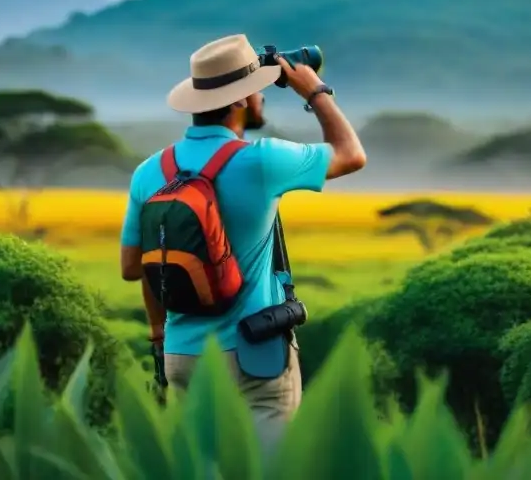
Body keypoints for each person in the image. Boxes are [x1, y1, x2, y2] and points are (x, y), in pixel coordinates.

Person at [119, 33, 366, 451]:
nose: (263, 98)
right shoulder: (261, 160)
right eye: (259, 91)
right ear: (239, 101)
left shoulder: (150, 171)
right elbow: (351, 153)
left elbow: (134, 266)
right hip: (254, 356)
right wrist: (314, 91)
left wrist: (160, 336)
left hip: (182, 357)